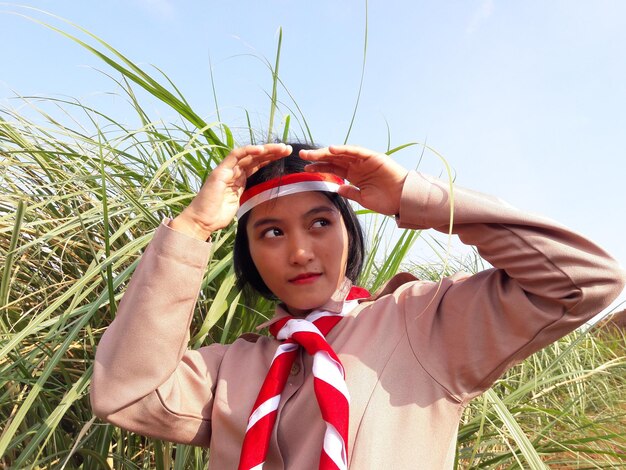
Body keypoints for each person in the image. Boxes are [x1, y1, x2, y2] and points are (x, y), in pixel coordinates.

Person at [90, 142, 625, 469]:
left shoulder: (422, 323)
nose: (300, 251)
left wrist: (413, 198)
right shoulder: (230, 367)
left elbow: (586, 280)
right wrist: (192, 229)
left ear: (349, 231)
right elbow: (126, 393)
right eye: (270, 232)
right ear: (250, 256)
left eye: (320, 222)